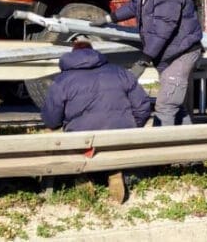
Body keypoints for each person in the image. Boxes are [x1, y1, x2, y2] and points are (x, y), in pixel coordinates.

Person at [41, 39, 154, 203]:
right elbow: (143, 105)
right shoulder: (120, 72)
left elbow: (51, 119)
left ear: (72, 55)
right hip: (119, 140)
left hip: (84, 144)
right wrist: (132, 126)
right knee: (110, 135)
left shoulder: (62, 80)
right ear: (95, 53)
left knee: (65, 137)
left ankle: (83, 175)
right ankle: (114, 170)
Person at [111, 0, 204, 126]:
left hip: (181, 53)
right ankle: (190, 150)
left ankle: (158, 150)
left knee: (165, 107)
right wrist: (110, 18)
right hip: (168, 53)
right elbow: (134, 6)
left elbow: (163, 29)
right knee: (179, 108)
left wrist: (145, 58)